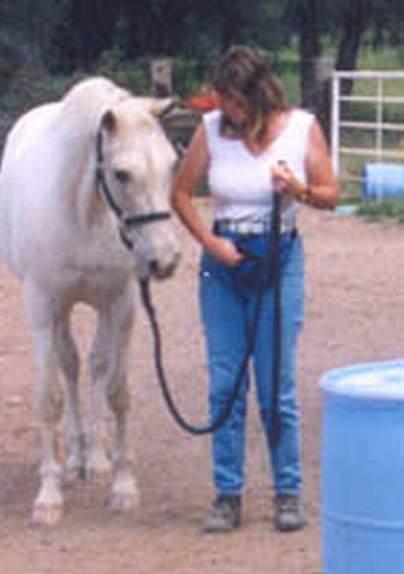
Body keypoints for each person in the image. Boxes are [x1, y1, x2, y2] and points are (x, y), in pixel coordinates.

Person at [171, 45, 338, 533]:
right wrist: (209, 242)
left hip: (278, 254)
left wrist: (299, 190)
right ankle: (228, 493)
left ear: (257, 95)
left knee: (275, 385)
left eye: (234, 103)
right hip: (223, 263)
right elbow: (179, 193)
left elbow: (331, 194)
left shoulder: (301, 128)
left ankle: (287, 491)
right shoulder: (210, 131)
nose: (227, 112)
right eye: (223, 102)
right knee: (225, 382)